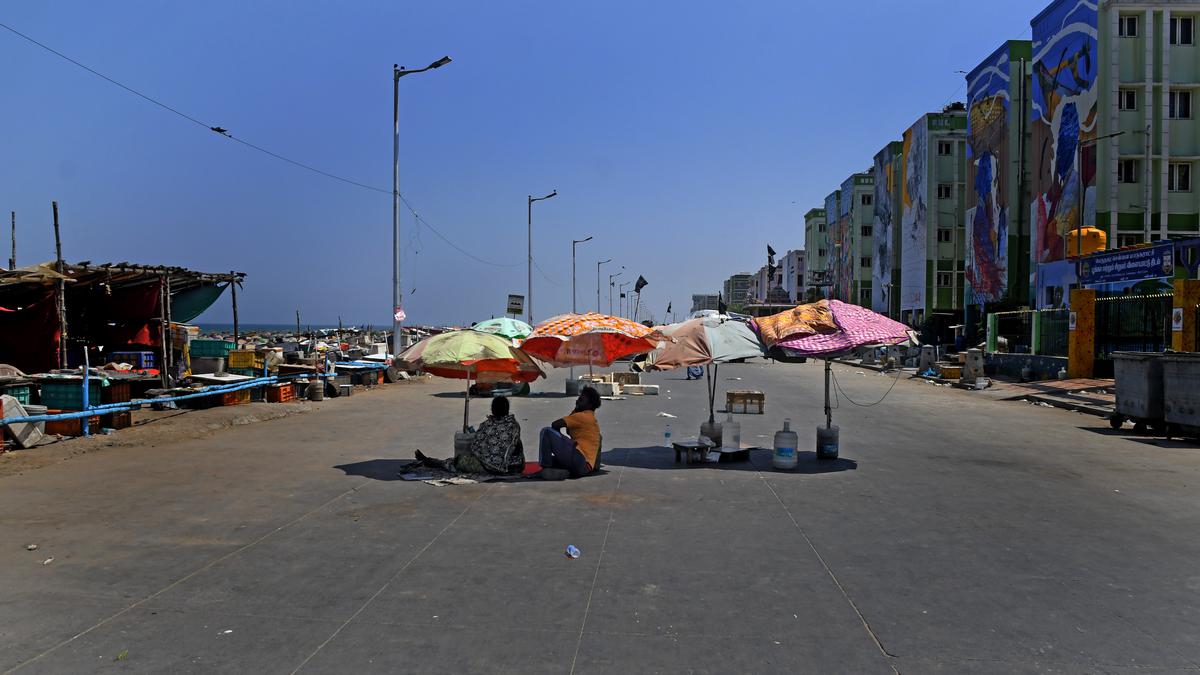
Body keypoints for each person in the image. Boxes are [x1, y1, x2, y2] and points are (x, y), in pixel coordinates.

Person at [414, 396, 524, 475]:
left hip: (494, 468)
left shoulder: (487, 425)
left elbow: (476, 446)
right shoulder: (514, 425)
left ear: (493, 409)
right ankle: (431, 461)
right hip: (516, 466)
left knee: (458, 461)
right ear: (507, 410)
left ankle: (432, 461)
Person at [537, 385, 602, 479]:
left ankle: (546, 467)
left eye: (581, 400)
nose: (577, 401)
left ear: (589, 405)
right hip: (585, 467)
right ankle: (567, 472)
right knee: (553, 459)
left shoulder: (582, 416)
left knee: (546, 431)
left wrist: (558, 443)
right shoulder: (591, 419)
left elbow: (555, 424)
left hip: (579, 460)